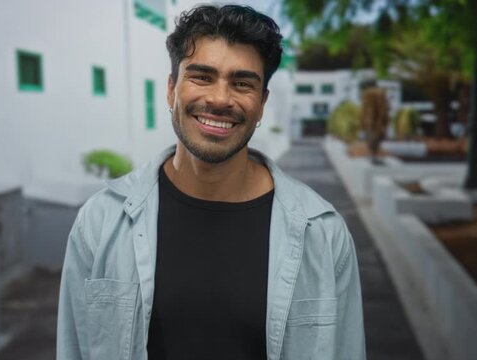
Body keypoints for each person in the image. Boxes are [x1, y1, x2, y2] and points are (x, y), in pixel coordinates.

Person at [57, 4, 365, 360]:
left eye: (242, 83)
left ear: (262, 103)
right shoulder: (100, 222)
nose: (219, 99)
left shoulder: (323, 234)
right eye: (202, 76)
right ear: (171, 89)